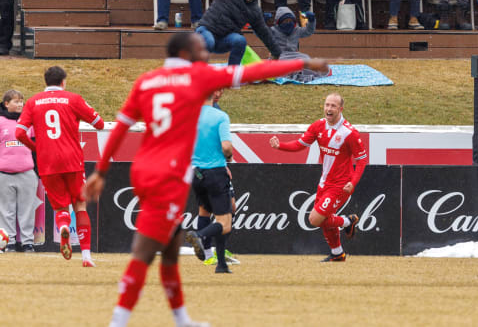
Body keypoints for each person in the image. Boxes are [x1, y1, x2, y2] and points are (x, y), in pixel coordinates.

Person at [83, 32, 327, 327]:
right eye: (201, 47)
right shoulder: (197, 77)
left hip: (147, 168)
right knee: (144, 253)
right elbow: (256, 71)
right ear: (186, 52)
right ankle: (117, 322)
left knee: (171, 250)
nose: (207, 51)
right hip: (168, 174)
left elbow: (120, 128)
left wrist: (101, 171)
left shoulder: (147, 81)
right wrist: (303, 62)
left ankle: (182, 319)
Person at [15, 66, 104, 266]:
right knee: (80, 206)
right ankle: (87, 257)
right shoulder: (73, 99)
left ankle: (63, 226)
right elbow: (98, 123)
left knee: (60, 208)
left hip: (48, 162)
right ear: (63, 81)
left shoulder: (33, 101)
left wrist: (36, 148)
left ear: (45, 82)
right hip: (72, 160)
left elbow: (19, 133)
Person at [268, 92, 366, 262]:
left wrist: (353, 182)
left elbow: (362, 160)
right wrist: (280, 146)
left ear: (341, 109)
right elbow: (299, 144)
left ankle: (347, 222)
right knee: (325, 219)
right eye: (327, 105)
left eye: (333, 106)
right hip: (325, 183)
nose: (329, 109)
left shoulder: (349, 133)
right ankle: (338, 253)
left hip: (341, 185)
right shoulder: (318, 126)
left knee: (314, 219)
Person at [182, 89, 236, 274]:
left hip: (196, 174)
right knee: (225, 221)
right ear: (213, 95)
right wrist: (228, 155)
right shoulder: (220, 116)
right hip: (215, 172)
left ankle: (221, 264)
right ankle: (199, 235)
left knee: (205, 212)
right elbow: (226, 147)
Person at [0, 90, 36, 253]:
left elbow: (37, 146)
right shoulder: (0, 121)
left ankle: (28, 242)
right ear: (6, 104)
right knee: (6, 210)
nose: (20, 104)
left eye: (21, 101)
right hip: (4, 174)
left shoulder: (28, 121)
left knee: (27, 210)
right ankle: (10, 242)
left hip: (27, 173)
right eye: (16, 101)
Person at [268, 6, 329, 82]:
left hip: (294, 55)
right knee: (278, 65)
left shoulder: (296, 30)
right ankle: (292, 72)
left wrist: (312, 21)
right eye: (285, 21)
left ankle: (306, 71)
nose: (288, 23)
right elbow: (261, 33)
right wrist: (261, 21)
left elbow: (308, 31)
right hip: (280, 56)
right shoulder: (273, 30)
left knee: (306, 58)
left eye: (291, 21)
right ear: (279, 22)